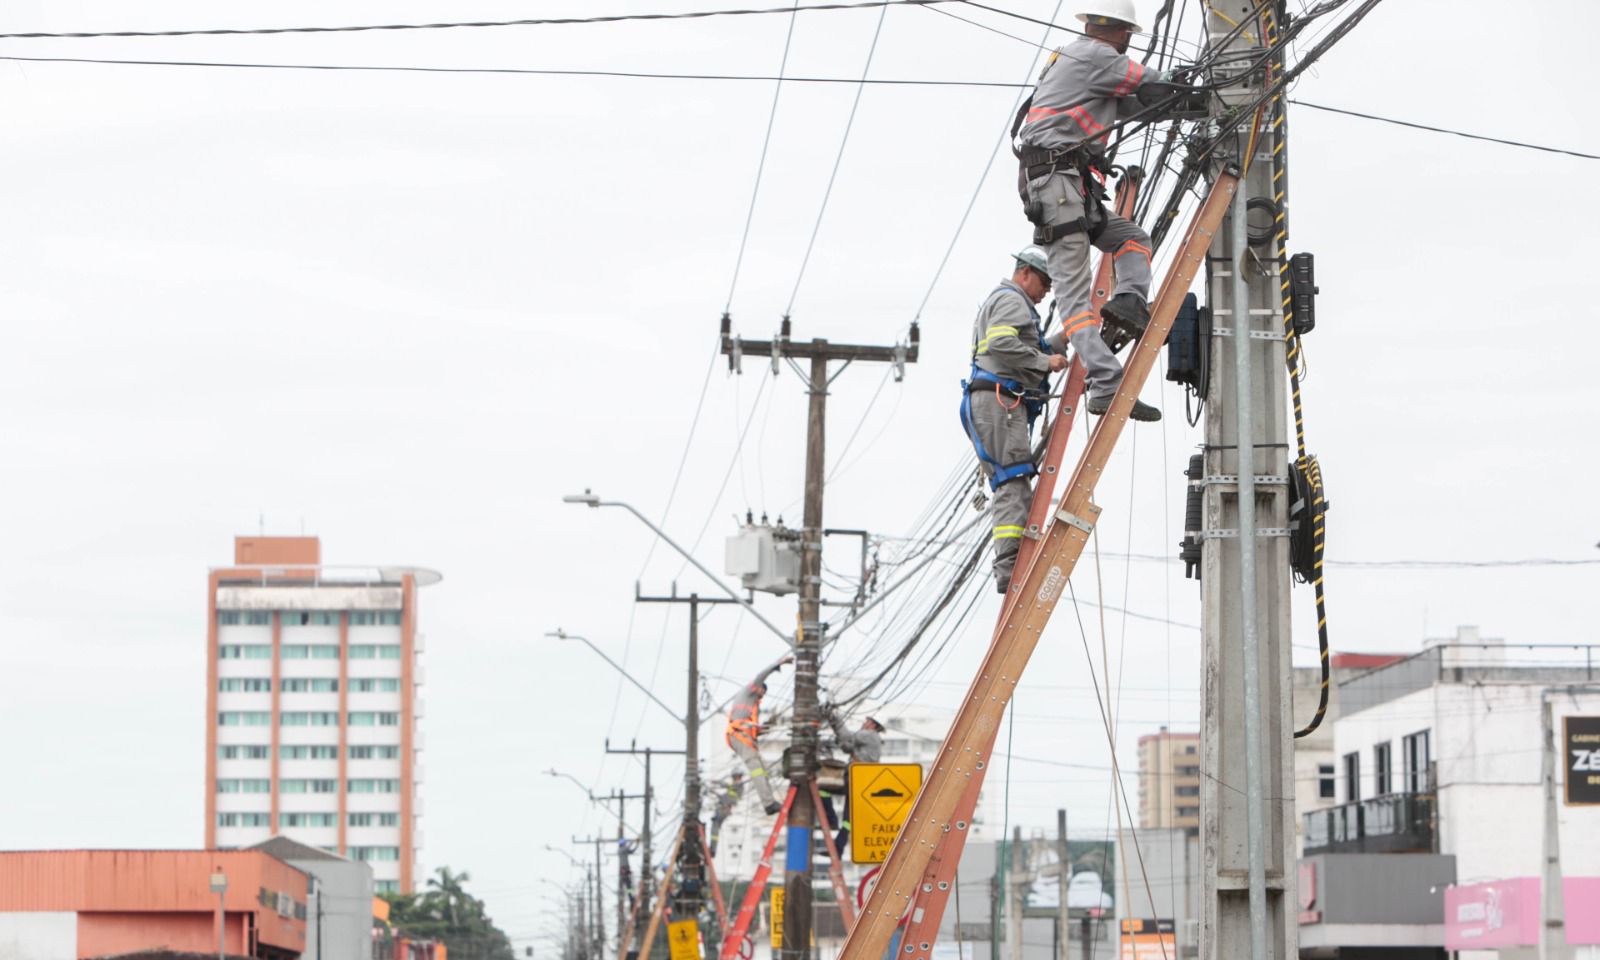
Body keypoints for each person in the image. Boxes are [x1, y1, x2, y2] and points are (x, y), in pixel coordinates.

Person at [1015, 0, 1165, 423]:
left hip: (1070, 185)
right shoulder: (1097, 56)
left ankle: (1130, 300)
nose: (1126, 45)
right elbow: (1149, 84)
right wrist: (1184, 86)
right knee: (1075, 302)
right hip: (1057, 184)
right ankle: (1105, 384)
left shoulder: (1082, 63)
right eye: (1128, 38)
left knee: (1133, 238)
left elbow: (1136, 105)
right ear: (1119, 31)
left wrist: (1178, 101)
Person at [960, 247, 1070, 594]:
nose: (1047, 291)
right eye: (1044, 281)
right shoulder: (1012, 300)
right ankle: (1010, 568)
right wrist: (1043, 362)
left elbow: (1023, 344)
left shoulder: (1009, 302)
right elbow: (1004, 343)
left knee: (1013, 479)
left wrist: (1065, 339)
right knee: (1013, 479)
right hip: (998, 400)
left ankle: (1011, 564)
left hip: (995, 399)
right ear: (1025, 273)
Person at [725, 657, 793, 815]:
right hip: (738, 735)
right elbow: (761, 675)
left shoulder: (753, 706)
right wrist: (778, 664)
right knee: (756, 770)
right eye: (762, 691)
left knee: (761, 771)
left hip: (744, 737)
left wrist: (768, 726)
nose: (762, 695)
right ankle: (769, 804)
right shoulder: (750, 691)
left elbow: (754, 730)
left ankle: (770, 802)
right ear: (758, 688)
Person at [821, 710, 885, 852]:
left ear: (873, 724)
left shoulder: (869, 735)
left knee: (822, 788)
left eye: (866, 720)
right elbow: (847, 747)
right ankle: (837, 849)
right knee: (847, 819)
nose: (864, 722)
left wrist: (834, 719)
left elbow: (847, 737)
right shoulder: (870, 739)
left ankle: (831, 819)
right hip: (861, 782)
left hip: (856, 780)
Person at [707, 770, 744, 857]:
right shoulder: (733, 789)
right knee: (714, 829)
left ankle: (713, 849)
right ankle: (712, 849)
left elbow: (727, 786)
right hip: (723, 809)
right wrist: (713, 792)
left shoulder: (738, 786)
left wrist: (718, 782)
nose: (734, 779)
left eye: (735, 777)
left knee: (715, 826)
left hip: (724, 810)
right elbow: (723, 797)